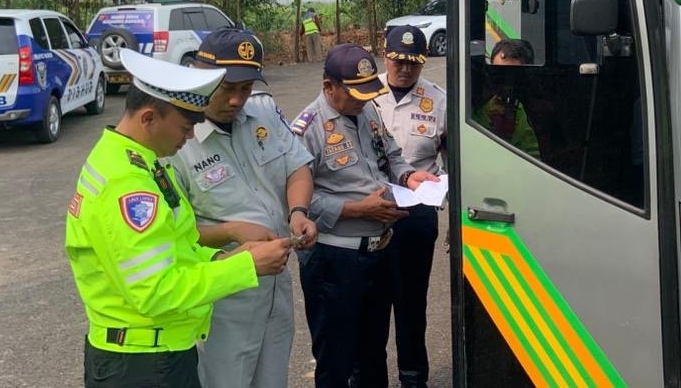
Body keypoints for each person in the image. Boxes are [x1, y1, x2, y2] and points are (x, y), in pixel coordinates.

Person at [65, 48, 295, 388]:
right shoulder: (127, 186)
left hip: (160, 352)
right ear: (148, 118)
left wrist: (226, 255)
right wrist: (245, 267)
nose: (189, 138)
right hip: (141, 364)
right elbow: (156, 292)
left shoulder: (141, 162)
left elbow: (177, 243)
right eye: (185, 127)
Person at [165, 28, 317, 388]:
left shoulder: (263, 111)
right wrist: (231, 231)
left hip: (275, 282)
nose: (237, 100)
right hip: (223, 294)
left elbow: (297, 166)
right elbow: (171, 233)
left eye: (245, 89)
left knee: (272, 379)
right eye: (227, 89)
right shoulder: (177, 139)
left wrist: (298, 211)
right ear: (202, 76)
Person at [289, 43, 440, 388]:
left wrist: (407, 177)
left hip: (378, 250)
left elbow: (392, 154)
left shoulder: (367, 111)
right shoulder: (307, 128)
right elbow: (297, 201)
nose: (362, 100)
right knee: (336, 358)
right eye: (354, 93)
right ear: (329, 86)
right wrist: (357, 209)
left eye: (367, 91)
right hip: (335, 257)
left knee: (373, 352)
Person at [371, 26, 447, 388]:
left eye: (412, 62)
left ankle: (414, 378)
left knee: (411, 305)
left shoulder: (439, 100)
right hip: (369, 216)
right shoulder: (365, 94)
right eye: (398, 60)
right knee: (371, 304)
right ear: (385, 56)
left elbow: (453, 162)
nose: (404, 69)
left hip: (416, 216)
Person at [472, 39, 539, 157]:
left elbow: (535, 158)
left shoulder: (536, 110)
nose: (504, 81)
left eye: (511, 74)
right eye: (497, 72)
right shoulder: (474, 107)